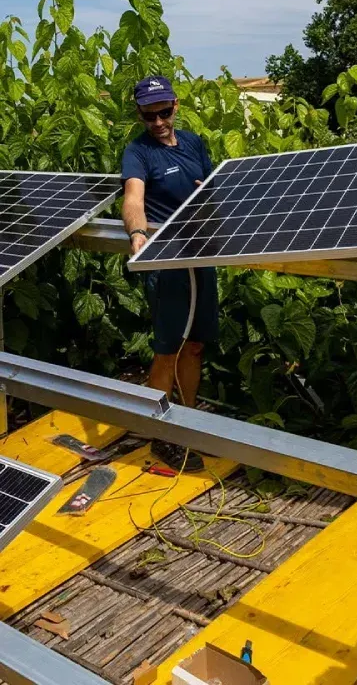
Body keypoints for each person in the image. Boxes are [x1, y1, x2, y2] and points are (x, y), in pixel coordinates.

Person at [121, 75, 219, 471]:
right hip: (167, 261)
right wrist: (138, 232)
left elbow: (214, 188)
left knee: (195, 344)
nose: (158, 122)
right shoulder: (138, 152)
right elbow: (133, 198)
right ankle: (162, 434)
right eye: (149, 115)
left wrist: (208, 193)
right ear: (140, 114)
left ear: (175, 106)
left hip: (201, 254)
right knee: (167, 349)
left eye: (164, 112)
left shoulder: (194, 142)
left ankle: (189, 418)